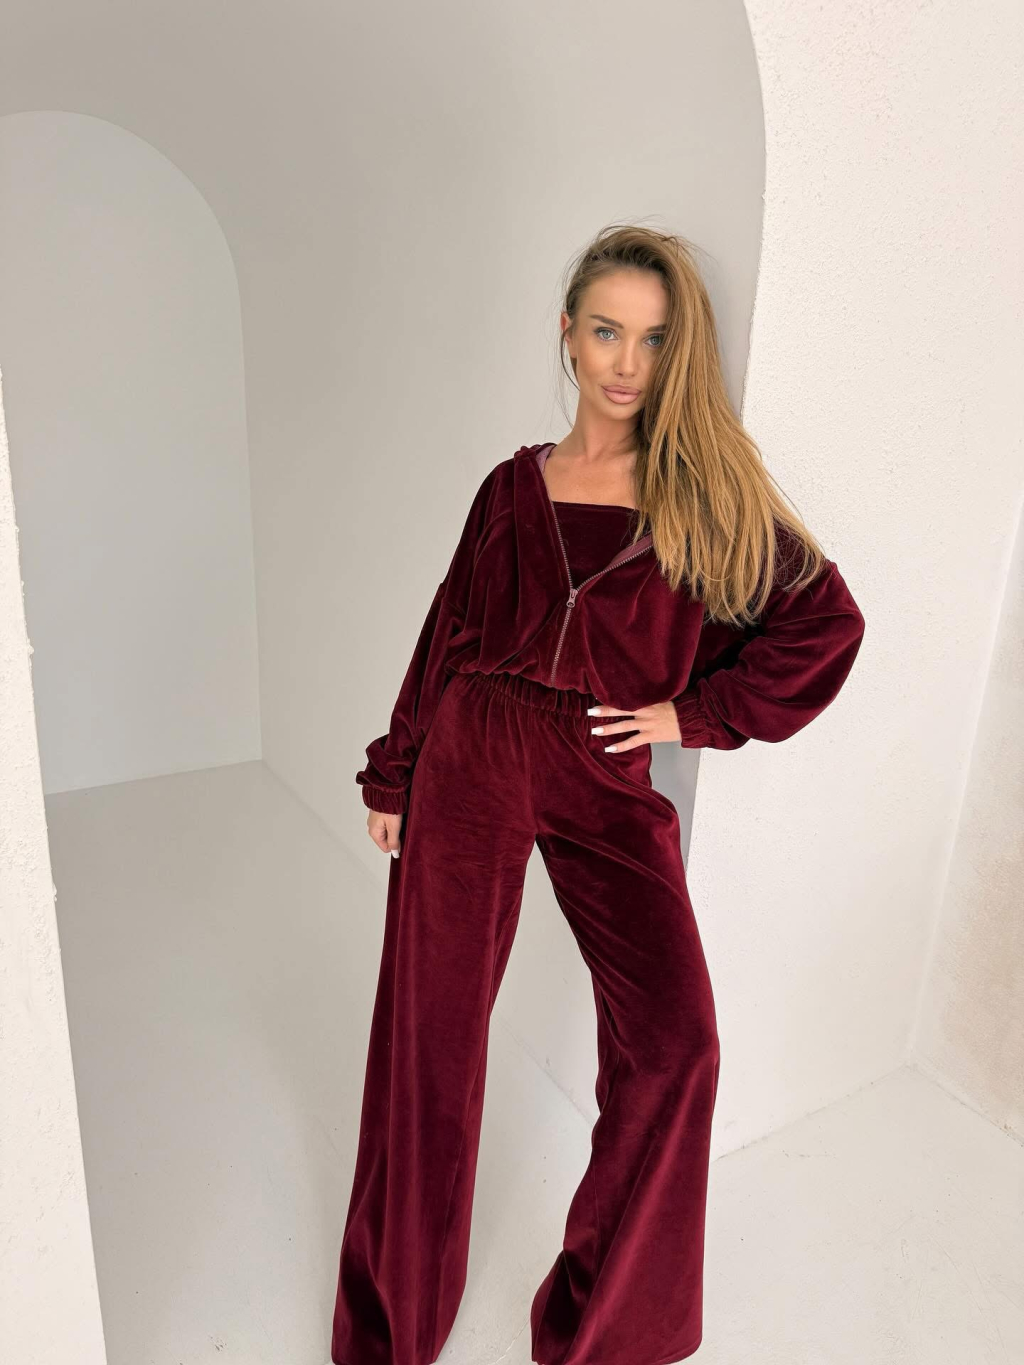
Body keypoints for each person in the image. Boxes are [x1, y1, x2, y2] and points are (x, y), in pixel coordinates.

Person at [331, 224, 866, 1365]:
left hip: (600, 764)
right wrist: (397, 766)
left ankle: (599, 1328)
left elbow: (825, 623)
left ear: (680, 354)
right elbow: (448, 629)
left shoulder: (704, 497)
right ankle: (389, 1334)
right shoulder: (510, 487)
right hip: (472, 752)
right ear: (569, 335)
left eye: (654, 340)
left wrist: (691, 714)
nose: (627, 363)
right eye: (608, 331)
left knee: (677, 1044)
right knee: (429, 1043)